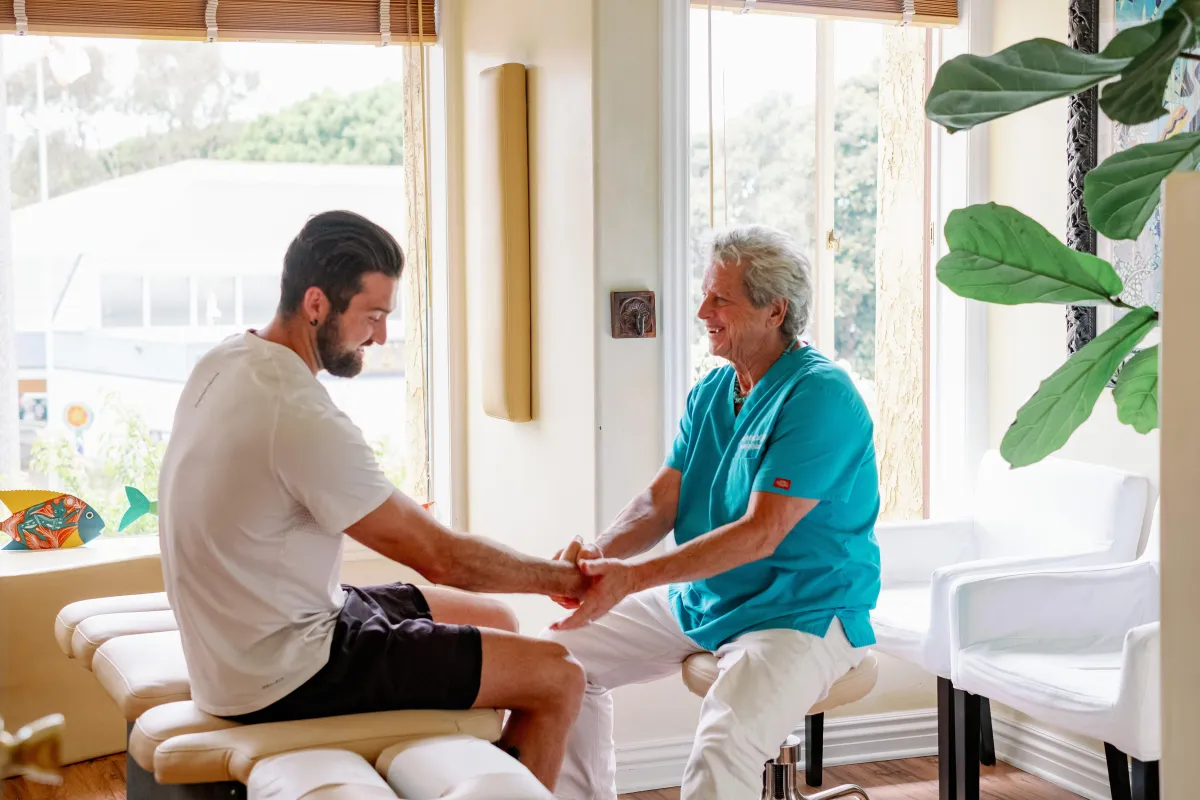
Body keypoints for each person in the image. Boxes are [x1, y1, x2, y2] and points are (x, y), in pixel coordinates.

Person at [158, 210, 587, 792]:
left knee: (496, 619)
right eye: (374, 315)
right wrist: (564, 577)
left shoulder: (231, 360)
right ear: (316, 304)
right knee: (559, 676)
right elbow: (443, 560)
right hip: (288, 672)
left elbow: (322, 490)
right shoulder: (297, 411)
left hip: (270, 634)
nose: (381, 336)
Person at [543, 224, 882, 799]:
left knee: (722, 748)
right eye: (706, 293)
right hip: (709, 597)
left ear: (774, 310)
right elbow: (660, 499)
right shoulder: (713, 389)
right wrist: (601, 556)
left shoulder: (821, 395)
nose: (702, 309)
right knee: (557, 663)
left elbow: (761, 533)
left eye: (719, 298)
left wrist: (631, 579)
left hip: (800, 610)